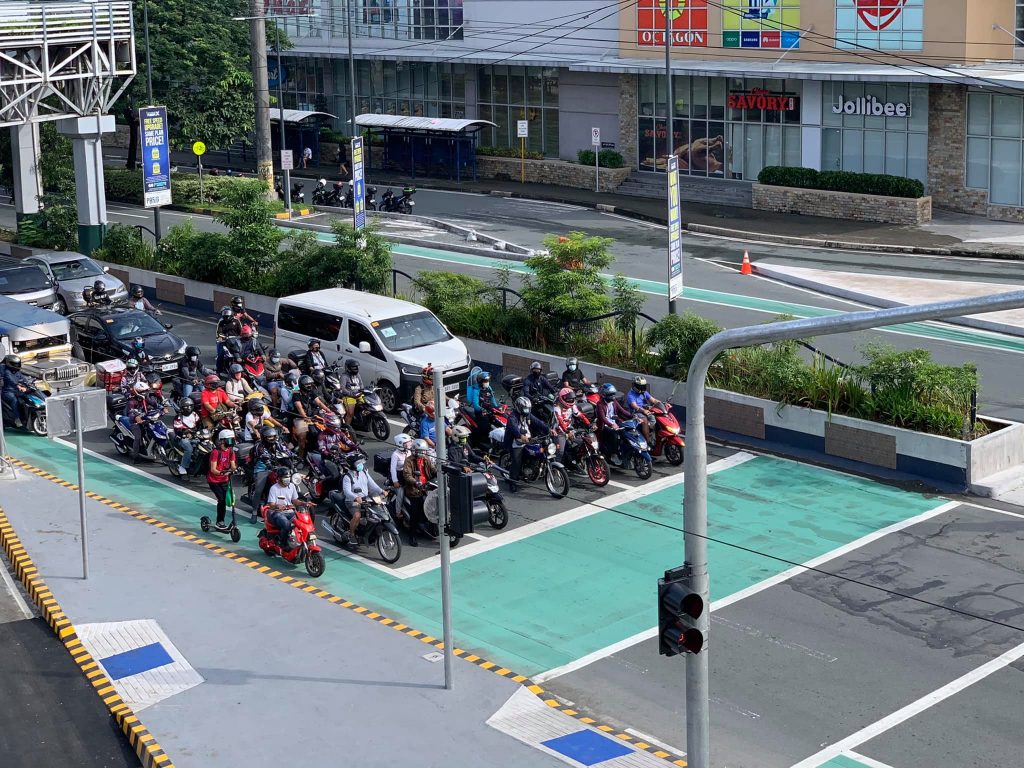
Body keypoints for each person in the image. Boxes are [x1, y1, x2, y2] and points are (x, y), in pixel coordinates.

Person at [503, 395, 551, 493]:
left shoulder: (528, 414)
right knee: (517, 462)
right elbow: (513, 428)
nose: (526, 410)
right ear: (519, 407)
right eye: (524, 408)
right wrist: (520, 436)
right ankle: (513, 482)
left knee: (539, 451)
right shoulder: (513, 416)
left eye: (528, 409)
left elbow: (538, 422)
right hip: (515, 441)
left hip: (528, 439)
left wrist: (548, 429)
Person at [341, 453, 383, 545]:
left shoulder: (364, 472)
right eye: (358, 463)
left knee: (377, 513)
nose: (361, 465)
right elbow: (347, 492)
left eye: (361, 463)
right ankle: (351, 534)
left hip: (366, 499)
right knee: (357, 516)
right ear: (352, 465)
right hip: (352, 502)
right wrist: (356, 497)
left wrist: (381, 491)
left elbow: (372, 484)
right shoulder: (347, 477)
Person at [402, 439, 436, 547]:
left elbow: (433, 470)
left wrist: (442, 471)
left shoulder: (426, 459)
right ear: (415, 451)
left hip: (428, 487)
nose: (423, 453)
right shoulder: (409, 461)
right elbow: (407, 475)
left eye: (424, 451)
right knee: (415, 513)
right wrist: (416, 482)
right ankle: (412, 536)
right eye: (421, 451)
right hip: (415, 490)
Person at [291, 374, 329, 454]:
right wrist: (305, 417)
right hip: (300, 418)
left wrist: (328, 410)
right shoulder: (296, 394)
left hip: (312, 416)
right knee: (302, 437)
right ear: (302, 385)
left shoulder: (311, 392)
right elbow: (299, 407)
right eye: (307, 384)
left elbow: (319, 402)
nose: (309, 386)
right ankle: (300, 456)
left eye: (310, 384)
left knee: (325, 429)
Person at [207, 430, 237, 529]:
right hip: (214, 481)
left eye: (232, 439)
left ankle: (229, 521)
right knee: (222, 500)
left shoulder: (231, 451)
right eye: (229, 439)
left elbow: (233, 465)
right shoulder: (216, 452)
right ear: (223, 440)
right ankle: (219, 522)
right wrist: (222, 472)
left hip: (225, 480)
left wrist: (235, 470)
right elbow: (213, 469)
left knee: (231, 500)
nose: (231, 441)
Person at [553, 387, 590, 468]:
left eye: (572, 399)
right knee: (560, 452)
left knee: (583, 442)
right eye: (569, 400)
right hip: (559, 431)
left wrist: (588, 423)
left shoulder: (572, 406)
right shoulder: (557, 408)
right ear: (562, 398)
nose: (571, 401)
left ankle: (576, 462)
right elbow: (560, 422)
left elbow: (579, 414)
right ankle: (555, 469)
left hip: (569, 429)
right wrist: (567, 432)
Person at [596, 383, 632, 464]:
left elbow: (622, 411)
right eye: (610, 394)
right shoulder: (600, 404)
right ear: (604, 394)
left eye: (613, 394)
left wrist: (632, 415)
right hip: (605, 426)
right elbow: (603, 418)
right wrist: (611, 425)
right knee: (614, 434)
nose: (612, 396)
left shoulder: (614, 401)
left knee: (627, 430)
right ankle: (613, 454)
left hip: (615, 422)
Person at [265, 467, 300, 548]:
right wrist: (277, 506)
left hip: (290, 511)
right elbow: (271, 505)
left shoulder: (292, 486)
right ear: (279, 478)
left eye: (288, 477)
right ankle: (283, 543)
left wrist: (304, 503)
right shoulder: (274, 488)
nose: (287, 479)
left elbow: (295, 501)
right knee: (286, 525)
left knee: (301, 523)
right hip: (276, 513)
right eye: (285, 477)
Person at [625, 376, 663, 446]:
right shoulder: (630, 395)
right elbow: (635, 406)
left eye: (643, 386)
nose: (642, 388)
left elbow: (653, 400)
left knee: (658, 418)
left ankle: (652, 433)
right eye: (640, 386)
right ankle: (648, 442)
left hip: (646, 411)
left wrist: (662, 404)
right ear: (635, 386)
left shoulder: (644, 393)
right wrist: (643, 411)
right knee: (644, 420)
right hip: (636, 412)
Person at [119, 381, 151, 463]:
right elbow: (130, 413)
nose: (145, 393)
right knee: (137, 437)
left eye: (146, 391)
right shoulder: (132, 401)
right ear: (138, 392)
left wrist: (163, 407)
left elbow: (155, 404)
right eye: (143, 392)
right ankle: (135, 456)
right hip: (134, 422)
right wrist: (136, 417)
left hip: (146, 419)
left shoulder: (145, 399)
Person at [1, 354, 33, 428]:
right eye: (15, 364)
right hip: (7, 391)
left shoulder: (17, 371)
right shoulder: (7, 371)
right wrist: (18, 386)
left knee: (26, 398)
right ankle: (17, 419)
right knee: (14, 400)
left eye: (18, 364)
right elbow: (11, 381)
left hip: (16, 390)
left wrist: (29, 383)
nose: (17, 365)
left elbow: (23, 378)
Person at [172, 398, 200, 475]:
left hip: (195, 436)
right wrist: (185, 433)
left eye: (190, 406)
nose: (188, 408)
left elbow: (199, 425)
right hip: (182, 438)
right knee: (189, 449)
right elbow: (178, 430)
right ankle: (183, 466)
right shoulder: (178, 418)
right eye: (186, 407)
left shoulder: (195, 415)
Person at [389, 433, 412, 525]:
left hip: (409, 474)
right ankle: (398, 512)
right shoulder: (395, 454)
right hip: (399, 476)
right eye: (406, 444)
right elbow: (393, 469)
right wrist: (395, 481)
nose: (408, 445)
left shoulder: (409, 452)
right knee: (400, 494)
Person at [215, 306, 241, 371]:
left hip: (236, 340)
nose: (226, 316)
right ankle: (218, 370)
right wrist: (223, 337)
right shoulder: (221, 322)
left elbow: (241, 331)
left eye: (228, 313)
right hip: (224, 341)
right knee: (220, 355)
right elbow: (219, 333)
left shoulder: (236, 321)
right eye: (225, 313)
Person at [338, 358, 362, 425]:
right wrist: (351, 394)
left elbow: (361, 384)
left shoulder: (357, 374)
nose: (355, 368)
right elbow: (343, 389)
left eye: (356, 367)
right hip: (348, 396)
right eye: (353, 367)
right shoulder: (344, 376)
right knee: (350, 414)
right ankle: (346, 429)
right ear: (348, 368)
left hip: (358, 394)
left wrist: (362, 390)